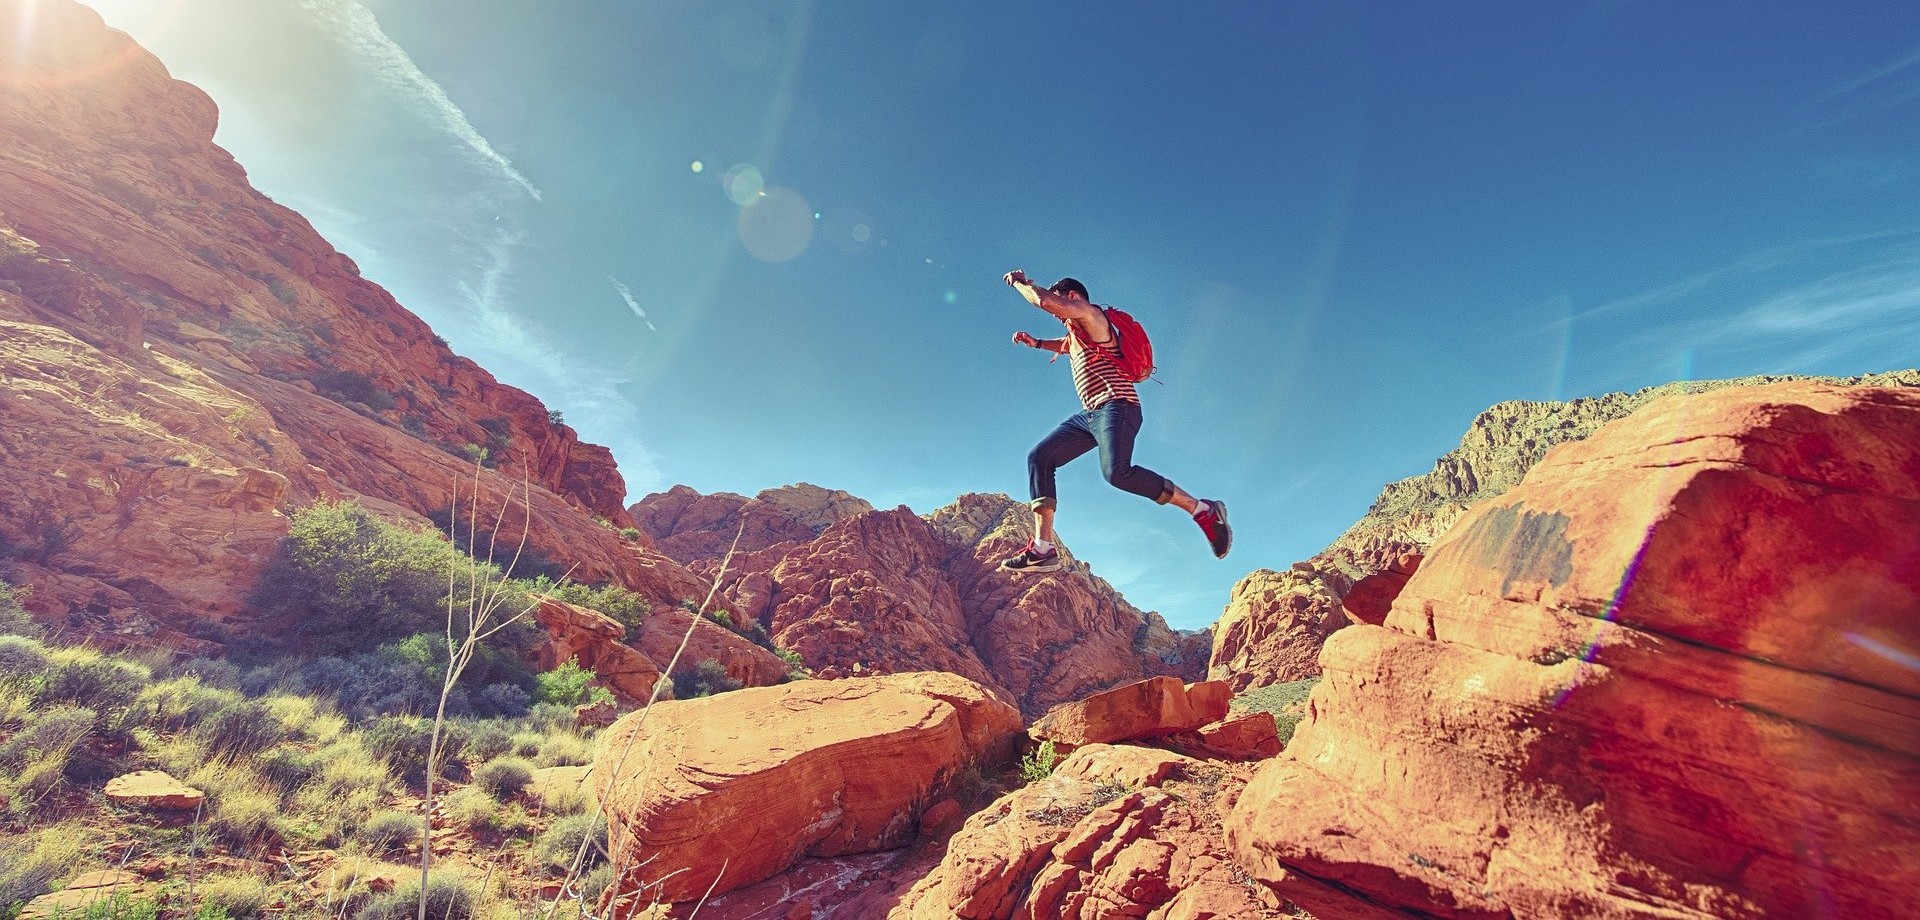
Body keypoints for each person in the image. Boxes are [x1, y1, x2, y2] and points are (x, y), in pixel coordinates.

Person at [998, 269, 1231, 573]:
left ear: (1071, 297)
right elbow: (1067, 345)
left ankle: (1204, 510)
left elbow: (1043, 301)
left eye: (1061, 304)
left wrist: (1021, 284)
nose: (1059, 316)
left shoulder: (1091, 315)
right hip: (1090, 415)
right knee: (1039, 458)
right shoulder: (1077, 332)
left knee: (1117, 472)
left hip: (1118, 407)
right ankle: (1043, 549)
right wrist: (1038, 343)